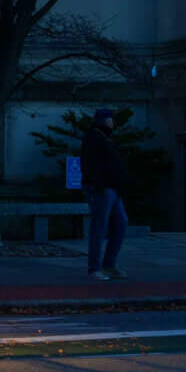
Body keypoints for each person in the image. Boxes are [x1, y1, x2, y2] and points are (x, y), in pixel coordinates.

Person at [81, 108, 129, 279]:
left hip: (113, 188)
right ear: (104, 120)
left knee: (121, 224)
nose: (113, 122)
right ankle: (94, 268)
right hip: (102, 188)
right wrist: (95, 185)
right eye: (111, 119)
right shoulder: (94, 137)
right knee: (99, 228)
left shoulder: (105, 138)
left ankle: (109, 265)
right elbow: (91, 164)